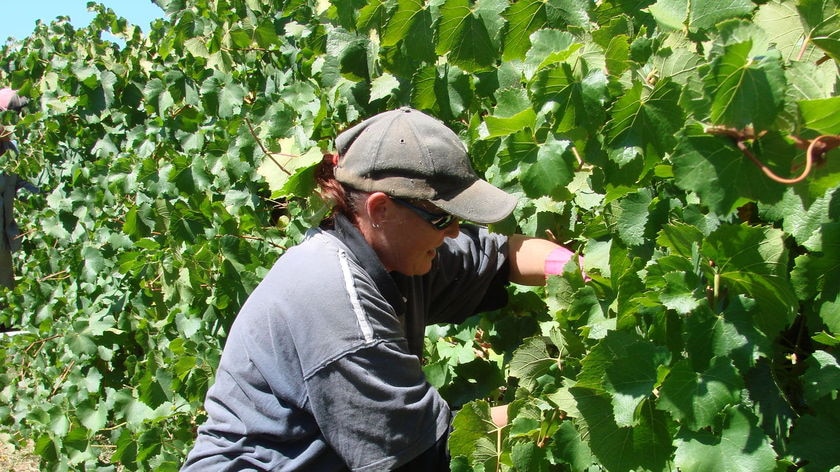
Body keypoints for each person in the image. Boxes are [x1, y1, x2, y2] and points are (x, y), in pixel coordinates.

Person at [181, 107, 581, 471]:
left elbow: (506, 256)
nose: (457, 230)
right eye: (442, 218)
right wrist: (558, 408)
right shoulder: (337, 304)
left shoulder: (406, 253)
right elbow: (430, 453)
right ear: (380, 210)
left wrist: (584, 276)